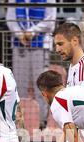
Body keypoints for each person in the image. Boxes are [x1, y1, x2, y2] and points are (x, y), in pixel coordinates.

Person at [6, 0, 57, 130]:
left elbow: (50, 20)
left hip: (41, 44)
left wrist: (32, 32)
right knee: (20, 85)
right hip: (20, 44)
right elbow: (10, 19)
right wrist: (20, 34)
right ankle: (20, 121)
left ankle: (41, 121)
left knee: (41, 85)